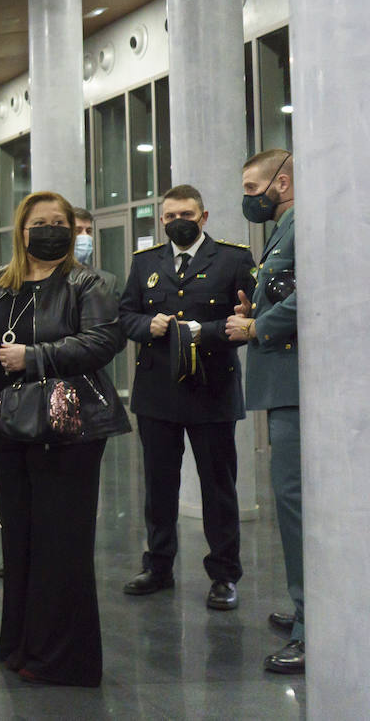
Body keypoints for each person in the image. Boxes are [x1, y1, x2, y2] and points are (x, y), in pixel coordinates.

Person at [0, 190, 129, 687]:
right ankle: (22, 645)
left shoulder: (88, 282)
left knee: (61, 543)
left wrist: (34, 357)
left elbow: (102, 341)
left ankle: (63, 659)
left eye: (59, 223)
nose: (51, 230)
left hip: (67, 429)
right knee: (21, 539)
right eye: (40, 223)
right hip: (7, 425)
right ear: (21, 231)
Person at [117, 184, 255, 610]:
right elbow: (126, 315)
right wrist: (148, 326)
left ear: (204, 216)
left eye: (187, 214)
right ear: (162, 220)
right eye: (171, 215)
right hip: (157, 393)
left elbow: (247, 321)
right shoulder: (145, 263)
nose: (179, 221)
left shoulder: (233, 259)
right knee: (159, 488)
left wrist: (202, 332)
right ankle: (158, 566)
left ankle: (224, 575)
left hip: (212, 391)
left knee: (218, 488)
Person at [226, 149, 303, 674]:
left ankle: (313, 625)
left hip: (296, 387)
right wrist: (255, 309)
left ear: (284, 180)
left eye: (254, 188)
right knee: (291, 504)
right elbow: (285, 291)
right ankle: (306, 605)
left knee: (295, 505)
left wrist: (258, 326)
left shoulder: (303, 225)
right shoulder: (283, 230)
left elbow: (312, 295)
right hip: (282, 386)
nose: (249, 198)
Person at [74, 207, 119, 299]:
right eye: (78, 231)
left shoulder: (107, 280)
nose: (85, 236)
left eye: (88, 231)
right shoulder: (49, 276)